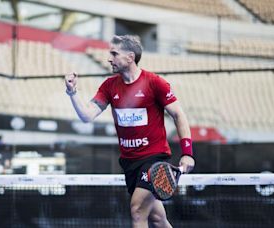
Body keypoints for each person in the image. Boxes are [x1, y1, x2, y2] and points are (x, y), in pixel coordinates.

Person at [64, 35, 195, 228]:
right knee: (158, 219)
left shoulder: (154, 83)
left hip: (154, 160)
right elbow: (87, 116)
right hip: (130, 162)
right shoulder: (109, 86)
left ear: (130, 57)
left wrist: (187, 153)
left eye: (114, 53)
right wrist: (72, 93)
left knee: (137, 211)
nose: (109, 58)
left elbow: (178, 115)